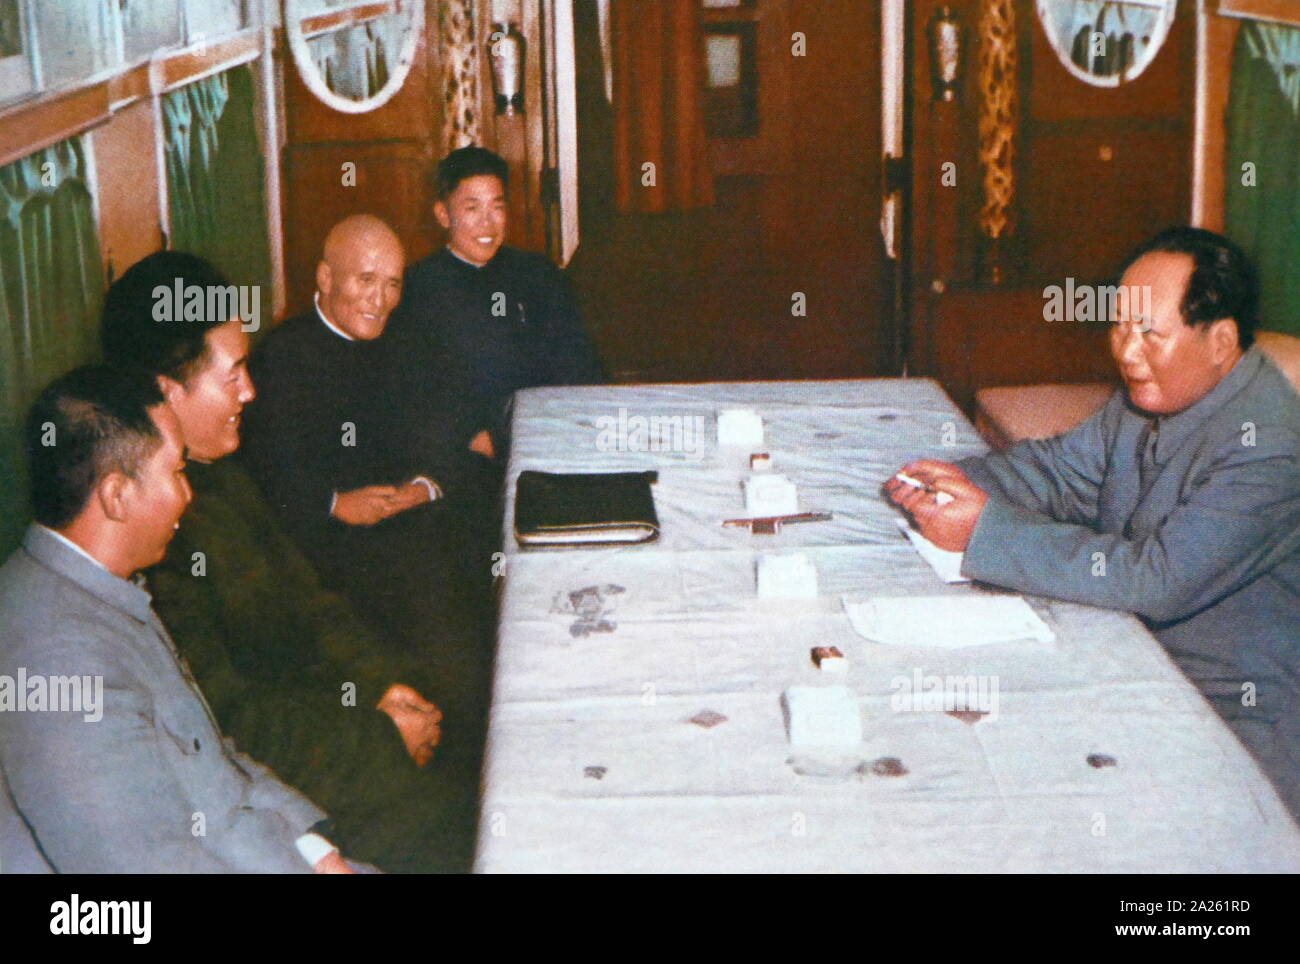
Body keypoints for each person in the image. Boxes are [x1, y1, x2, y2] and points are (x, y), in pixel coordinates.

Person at [886, 226, 1300, 819]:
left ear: (1221, 341)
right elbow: (1059, 473)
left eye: (1149, 334)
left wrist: (981, 532)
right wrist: (951, 483)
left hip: (1233, 710)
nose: (1126, 353)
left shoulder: (1270, 447)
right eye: (1119, 326)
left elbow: (1158, 579)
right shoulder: (1155, 396)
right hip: (1136, 659)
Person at [101, 250, 477, 872]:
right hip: (299, 790)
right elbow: (227, 727)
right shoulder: (148, 542)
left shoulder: (223, 476)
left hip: (342, 726)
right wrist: (381, 737)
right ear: (168, 392)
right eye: (234, 376)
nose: (250, 391)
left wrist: (389, 685)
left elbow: (314, 605)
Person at [0, 366, 361, 872]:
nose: (188, 496)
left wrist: (319, 855)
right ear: (117, 496)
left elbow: (208, 754)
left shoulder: (99, 586)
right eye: (177, 472)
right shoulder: (59, 656)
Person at [239, 216, 494, 752]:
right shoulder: (279, 360)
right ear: (326, 279)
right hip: (330, 549)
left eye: (394, 283)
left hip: (421, 524)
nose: (380, 300)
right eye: (366, 280)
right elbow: (263, 475)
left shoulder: (413, 340)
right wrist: (335, 504)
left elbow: (457, 430)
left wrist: (424, 485)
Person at [388, 145, 604, 456]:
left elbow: (578, 361)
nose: (487, 223)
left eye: (497, 207)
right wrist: (477, 441)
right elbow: (412, 391)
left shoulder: (538, 274)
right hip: (465, 451)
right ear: (443, 214)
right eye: (472, 208)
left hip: (549, 435)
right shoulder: (416, 289)